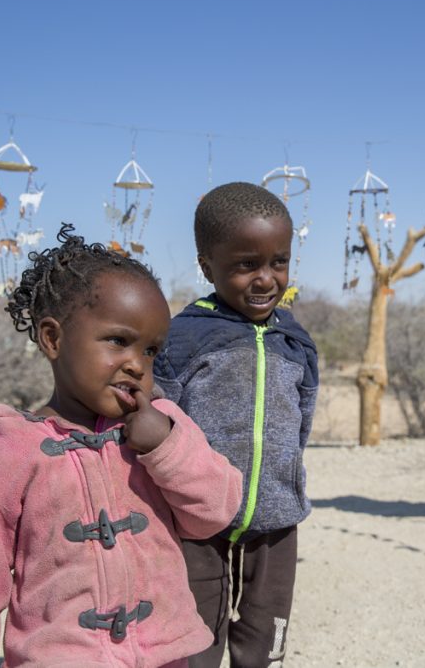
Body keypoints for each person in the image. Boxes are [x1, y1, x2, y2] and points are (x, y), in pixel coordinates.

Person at [0, 224, 243, 668]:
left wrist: (166, 447)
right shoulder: (8, 451)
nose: (137, 364)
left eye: (152, 351)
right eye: (118, 341)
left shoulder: (163, 427)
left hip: (164, 657)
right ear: (53, 338)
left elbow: (215, 512)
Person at [154, 182, 319, 667]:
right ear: (208, 266)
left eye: (279, 262)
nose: (266, 279)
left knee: (264, 637)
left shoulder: (295, 339)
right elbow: (161, 420)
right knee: (194, 637)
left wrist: (284, 480)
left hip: (276, 519)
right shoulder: (184, 337)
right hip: (195, 519)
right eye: (246, 264)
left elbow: (301, 421)